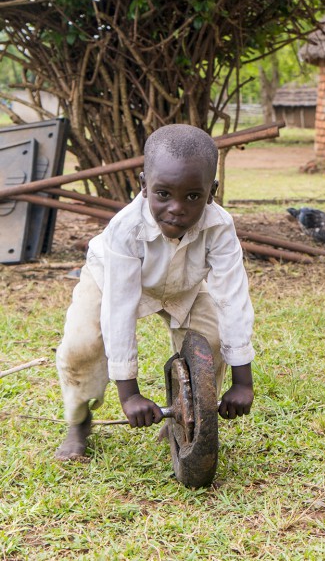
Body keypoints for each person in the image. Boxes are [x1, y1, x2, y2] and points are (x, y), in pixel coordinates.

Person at [54, 124, 255, 461]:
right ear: (144, 186)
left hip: (183, 287)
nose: (177, 208)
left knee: (212, 340)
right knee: (81, 345)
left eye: (193, 196)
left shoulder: (220, 227)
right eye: (164, 194)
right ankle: (79, 421)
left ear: (212, 191)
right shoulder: (126, 228)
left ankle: (189, 413)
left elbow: (232, 298)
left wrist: (243, 381)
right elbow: (118, 307)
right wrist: (129, 394)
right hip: (110, 279)